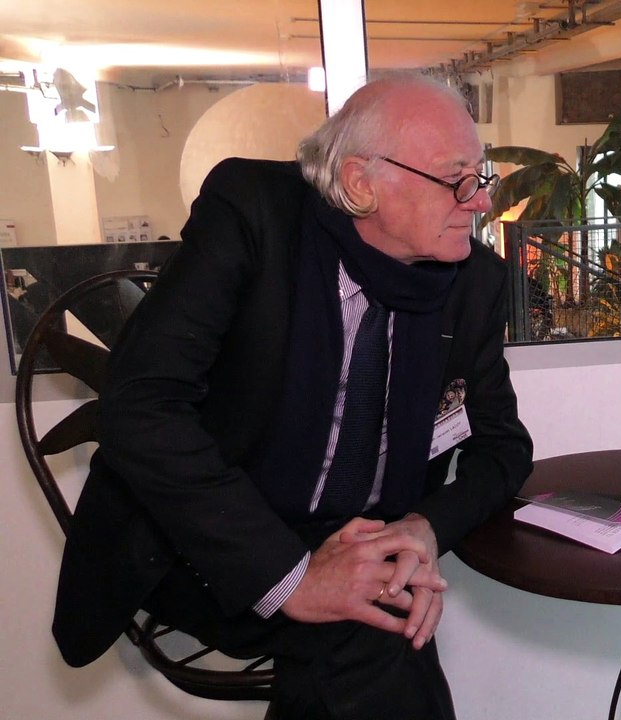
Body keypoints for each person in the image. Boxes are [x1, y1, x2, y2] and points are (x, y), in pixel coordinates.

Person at [51, 76, 534, 720]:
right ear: (362, 183)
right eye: (457, 180)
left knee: (368, 629)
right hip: (205, 538)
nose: (479, 204)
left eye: (482, 176)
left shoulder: (474, 282)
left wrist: (421, 530)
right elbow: (141, 407)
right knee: (374, 635)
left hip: (361, 537)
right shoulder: (255, 215)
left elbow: (502, 450)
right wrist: (293, 578)